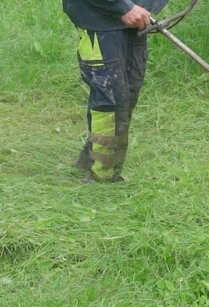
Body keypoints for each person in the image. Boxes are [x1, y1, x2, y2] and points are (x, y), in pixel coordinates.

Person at [63, 0, 169, 182]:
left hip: (134, 17)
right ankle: (103, 176)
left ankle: (92, 155)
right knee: (111, 101)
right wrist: (122, 6)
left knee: (127, 93)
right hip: (101, 17)